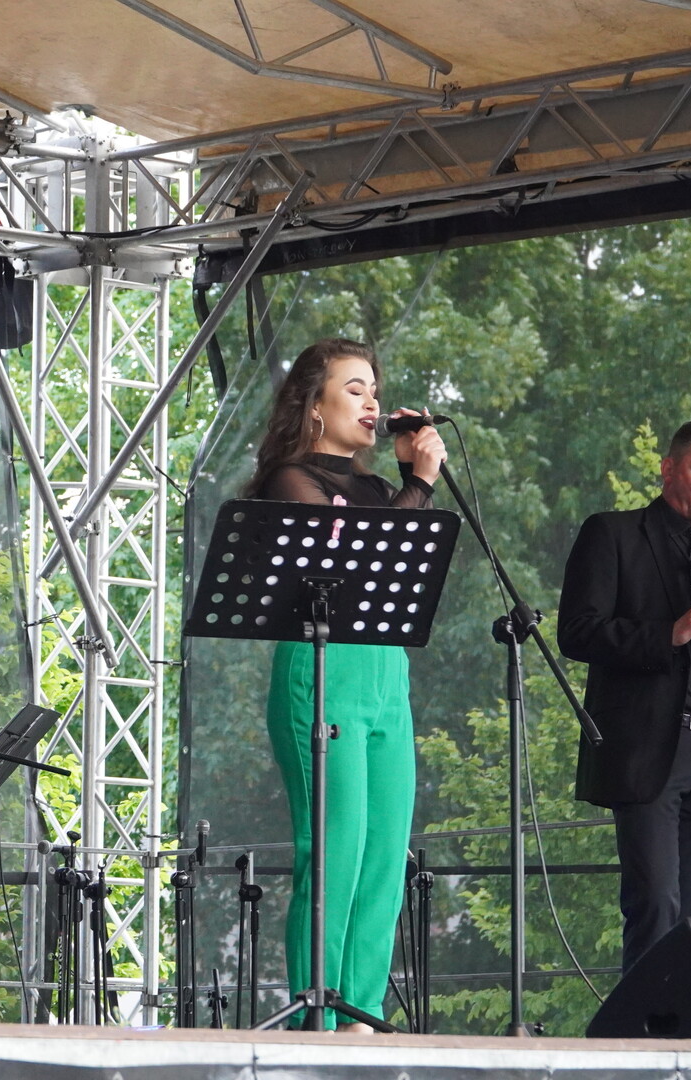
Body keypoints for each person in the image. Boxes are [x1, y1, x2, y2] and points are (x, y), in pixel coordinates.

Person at [239, 338, 445, 1031]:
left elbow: (398, 568)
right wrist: (420, 485)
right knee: (335, 853)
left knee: (384, 857)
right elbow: (361, 559)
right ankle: (318, 1019)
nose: (372, 401)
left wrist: (409, 480)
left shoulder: (379, 491)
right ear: (315, 406)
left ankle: (363, 1013)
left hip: (386, 677)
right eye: (355, 389)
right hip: (322, 671)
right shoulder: (290, 479)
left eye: (374, 390)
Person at [557, 419, 691, 974]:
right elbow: (576, 632)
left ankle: (683, 1023)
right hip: (648, 749)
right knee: (654, 905)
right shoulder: (612, 533)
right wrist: (672, 631)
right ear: (669, 469)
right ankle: (643, 1025)